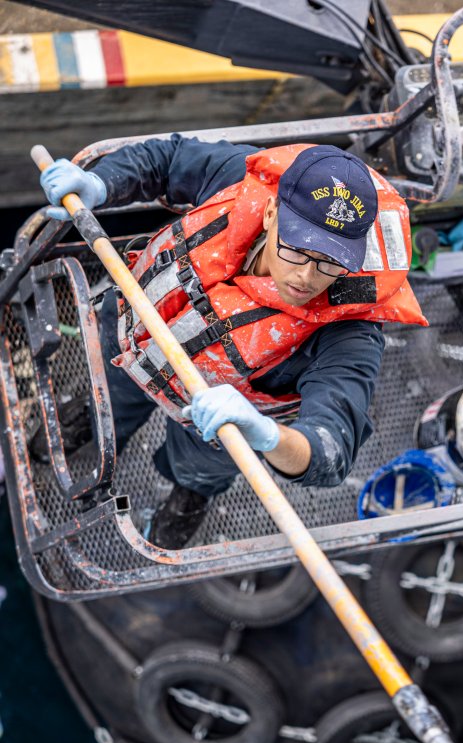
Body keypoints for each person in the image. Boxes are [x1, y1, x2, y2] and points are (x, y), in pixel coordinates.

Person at [39, 138, 427, 548]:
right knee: (108, 407)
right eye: (296, 249)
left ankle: (188, 500)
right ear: (272, 211)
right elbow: (168, 159)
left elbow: (332, 449)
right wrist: (100, 183)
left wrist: (265, 434)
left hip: (218, 420)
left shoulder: (352, 332)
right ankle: (86, 424)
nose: (307, 278)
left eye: (331, 261)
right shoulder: (237, 177)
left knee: (200, 469)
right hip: (133, 345)